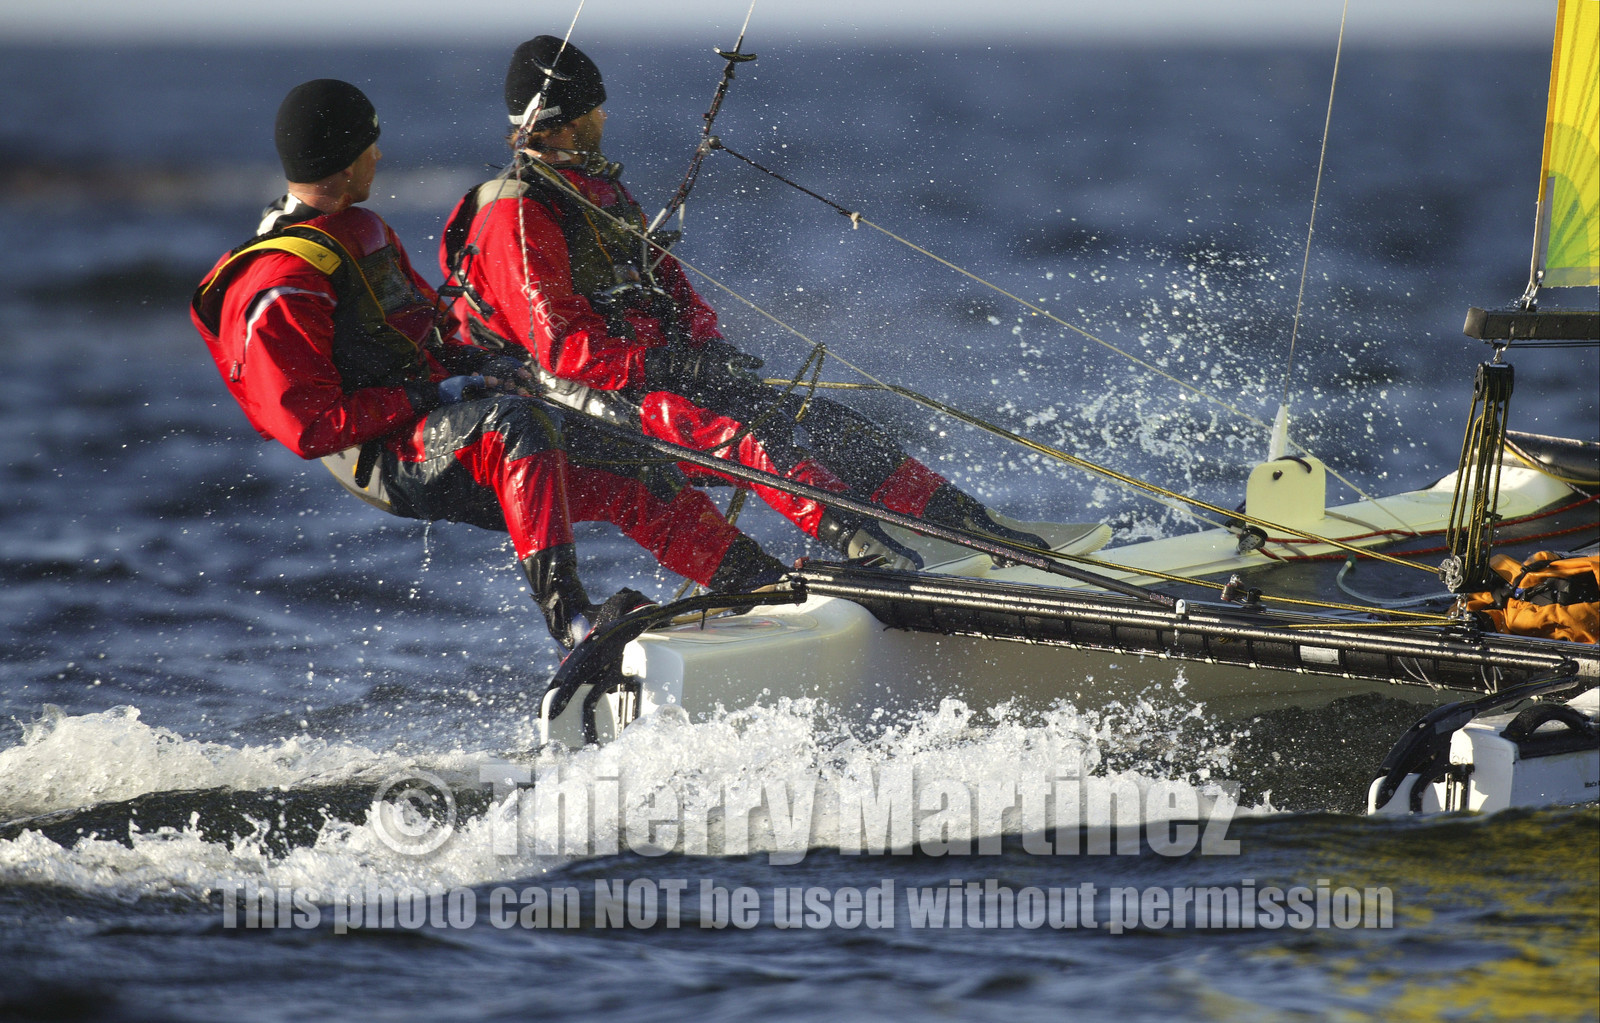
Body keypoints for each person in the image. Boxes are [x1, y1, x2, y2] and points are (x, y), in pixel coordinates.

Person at [192, 79, 786, 649]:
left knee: (629, 456)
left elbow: (431, 332)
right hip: (386, 457)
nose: (379, 154)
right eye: (370, 144)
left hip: (438, 419)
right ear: (348, 160)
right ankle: (574, 622)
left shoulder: (360, 229)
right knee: (514, 423)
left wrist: (495, 365)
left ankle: (765, 589)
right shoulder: (281, 281)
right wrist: (442, 394)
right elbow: (310, 429)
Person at [439, 37, 1048, 570]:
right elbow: (562, 348)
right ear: (568, 121)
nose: (605, 115)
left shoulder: (599, 192)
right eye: (596, 107)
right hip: (568, 395)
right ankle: (878, 553)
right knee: (751, 437)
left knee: (825, 425)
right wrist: (673, 368)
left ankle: (973, 527)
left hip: (650, 374)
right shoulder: (513, 212)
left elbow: (671, 288)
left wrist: (708, 349)